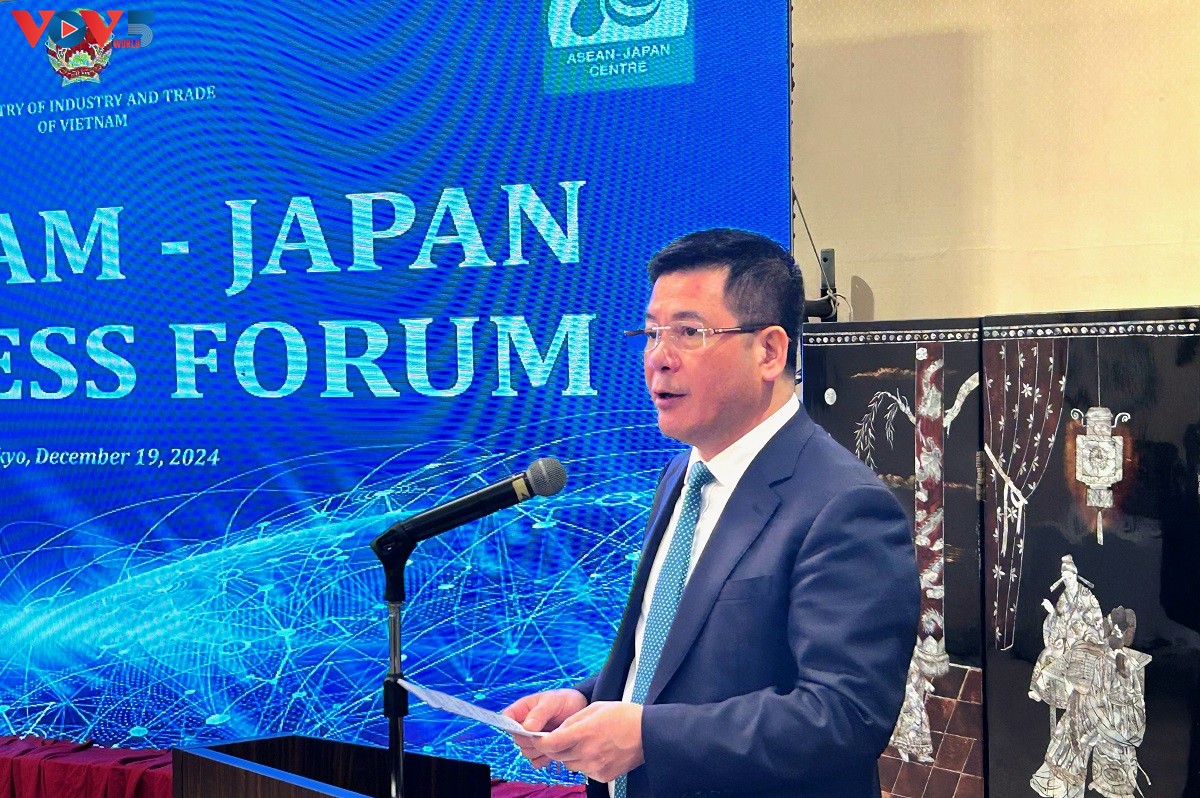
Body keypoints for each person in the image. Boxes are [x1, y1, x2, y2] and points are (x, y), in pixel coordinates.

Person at [503, 229, 920, 798]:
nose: (659, 358)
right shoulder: (683, 473)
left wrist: (649, 736)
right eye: (652, 333)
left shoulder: (844, 506)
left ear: (769, 351)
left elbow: (842, 717)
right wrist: (588, 699)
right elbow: (673, 654)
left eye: (689, 332)